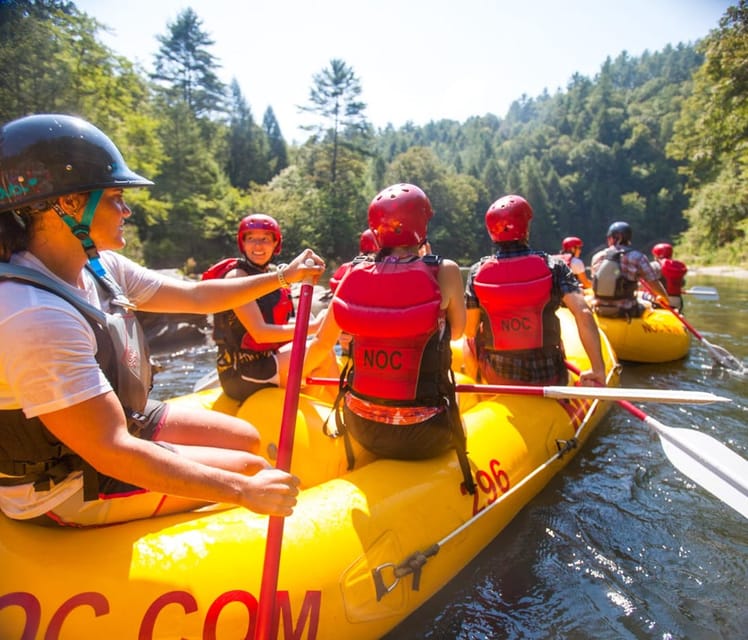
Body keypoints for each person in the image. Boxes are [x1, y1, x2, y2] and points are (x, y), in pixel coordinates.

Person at [0, 113, 325, 527]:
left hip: (113, 420)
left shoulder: (101, 267)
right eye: (116, 196)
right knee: (248, 470)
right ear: (67, 204)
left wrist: (285, 276)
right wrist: (242, 491)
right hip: (64, 484)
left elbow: (196, 295)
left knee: (245, 438)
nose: (127, 209)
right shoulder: (35, 315)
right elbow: (110, 449)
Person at [301, 183, 475, 492]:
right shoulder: (443, 270)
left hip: (360, 427)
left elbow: (322, 343)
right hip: (425, 436)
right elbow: (459, 332)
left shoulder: (353, 272)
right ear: (422, 225)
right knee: (456, 397)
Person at [463, 194, 606, 388]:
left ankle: (478, 385)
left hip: (499, 376)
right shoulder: (553, 266)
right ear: (526, 229)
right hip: (550, 374)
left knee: (470, 338)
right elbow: (583, 312)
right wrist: (598, 369)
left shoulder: (476, 272)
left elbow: (469, 330)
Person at [204, 213, 327, 401]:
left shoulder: (272, 277)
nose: (258, 245)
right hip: (242, 375)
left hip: (266, 362)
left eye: (265, 239)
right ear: (243, 244)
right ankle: (345, 426)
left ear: (275, 244)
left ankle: (313, 409)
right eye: (251, 238)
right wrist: (315, 328)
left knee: (320, 354)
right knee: (322, 349)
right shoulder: (236, 277)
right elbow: (260, 334)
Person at [589, 221, 669, 318]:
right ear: (628, 238)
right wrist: (665, 299)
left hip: (599, 308)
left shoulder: (597, 257)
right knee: (648, 305)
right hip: (626, 310)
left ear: (611, 238)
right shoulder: (638, 257)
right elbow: (653, 283)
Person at [648, 242, 688, 311]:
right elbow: (682, 283)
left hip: (660, 301)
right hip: (677, 301)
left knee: (640, 295)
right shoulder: (676, 266)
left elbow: (646, 281)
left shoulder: (654, 265)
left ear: (656, 255)